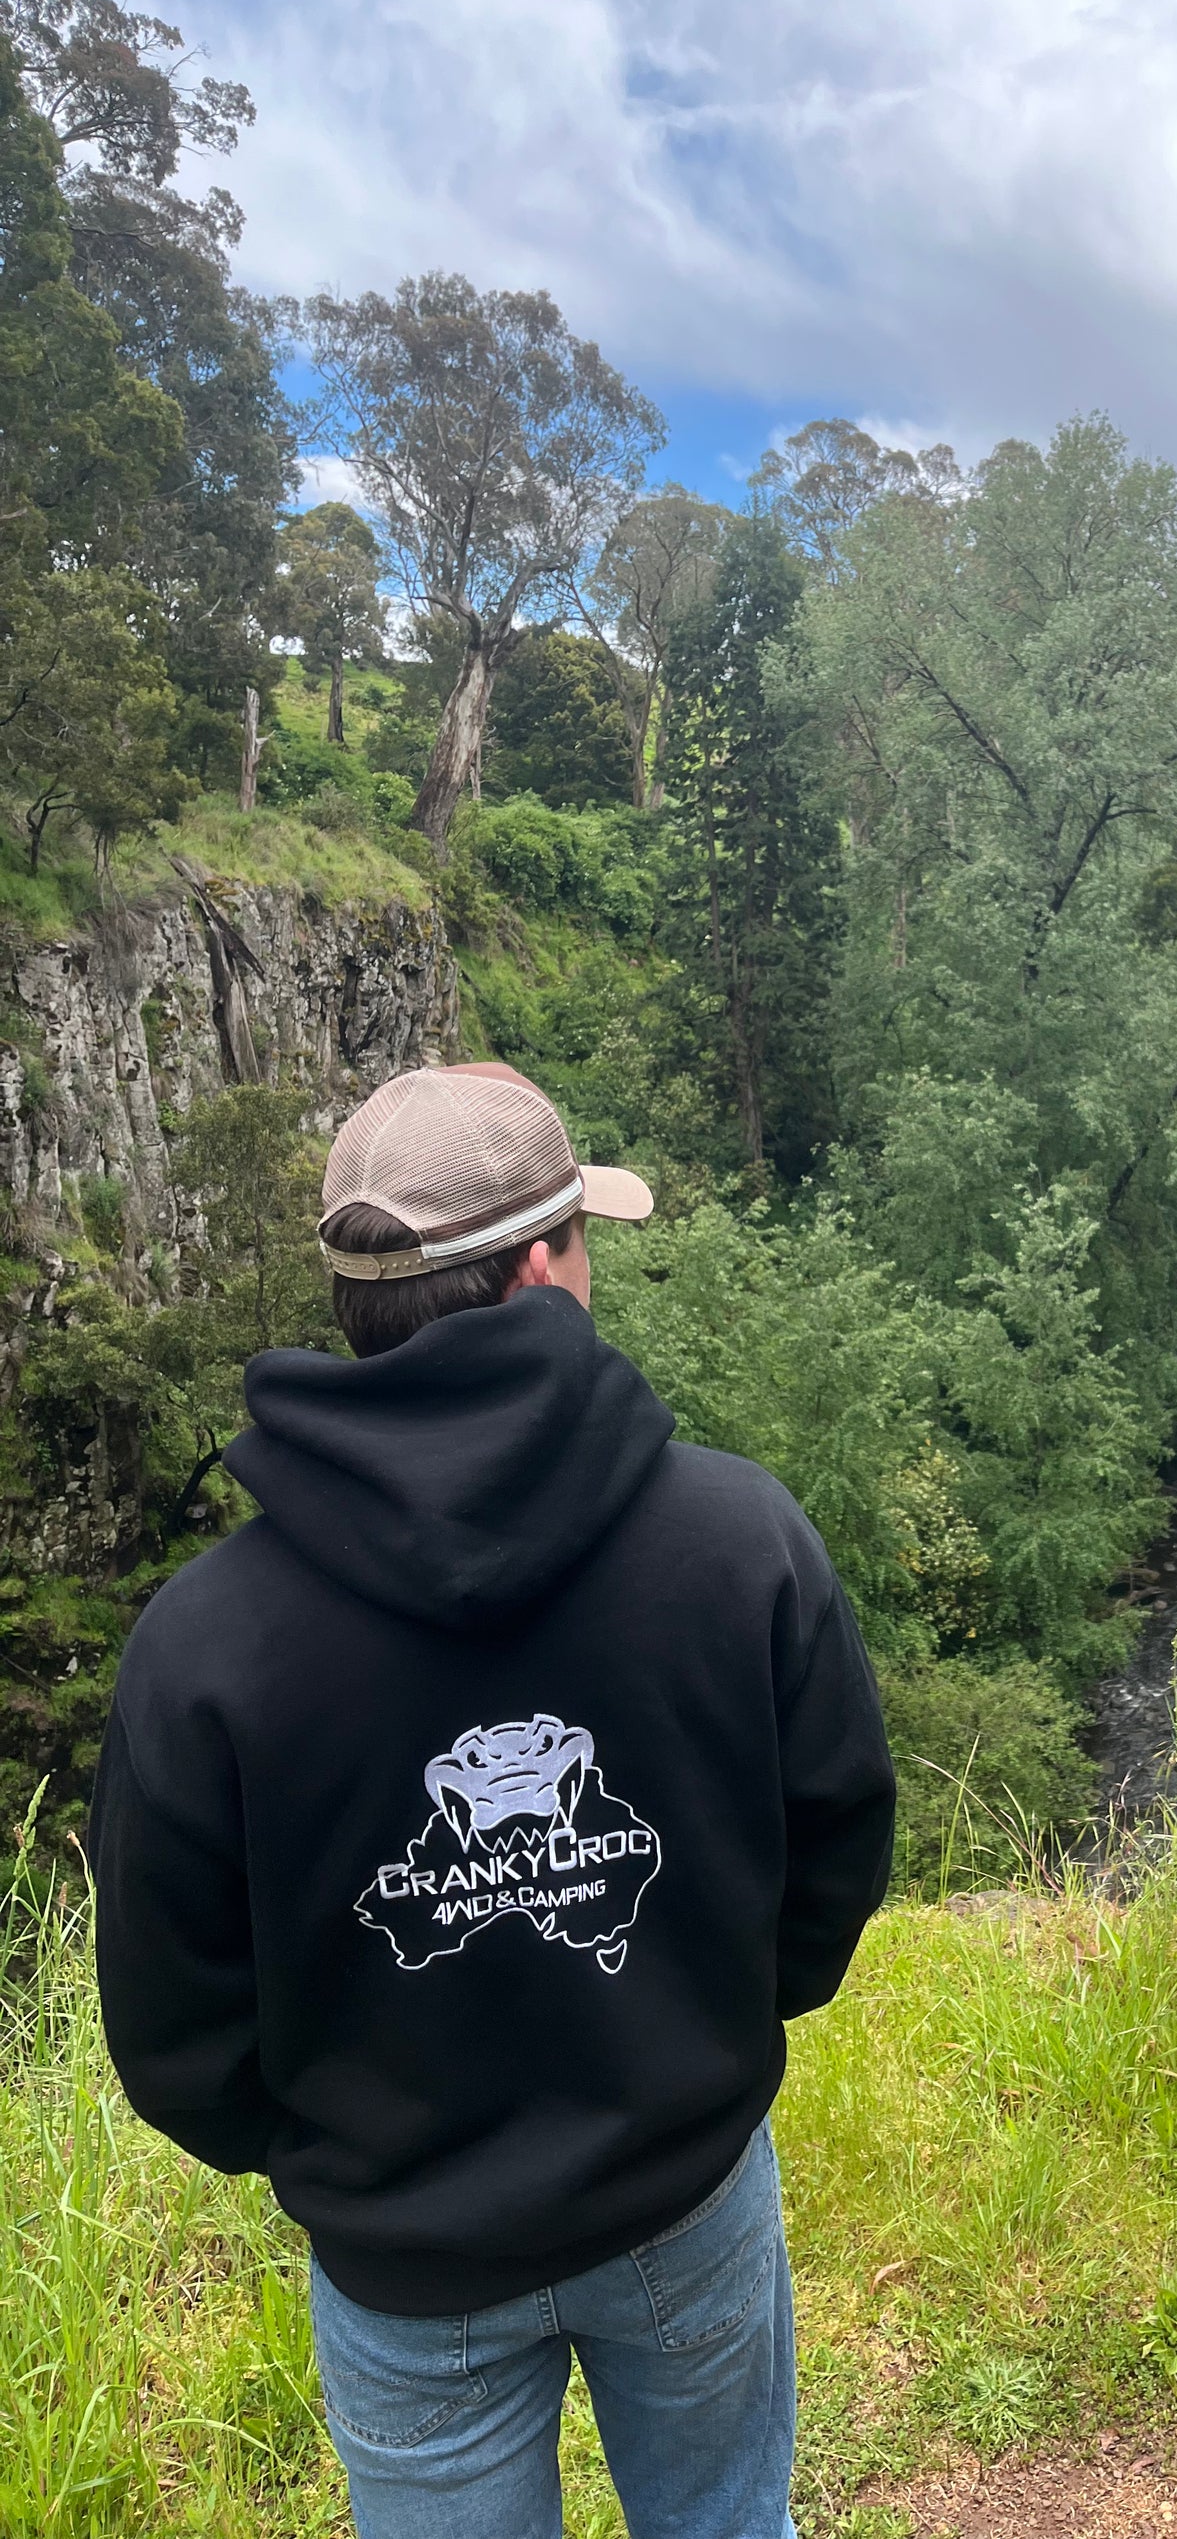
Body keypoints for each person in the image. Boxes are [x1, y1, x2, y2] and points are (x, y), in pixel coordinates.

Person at [90, 1062, 897, 2539]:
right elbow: (835, 1839)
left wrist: (341, 2153)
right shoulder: (737, 1538)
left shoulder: (205, 1644)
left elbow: (167, 2017)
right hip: (684, 2188)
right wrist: (705, 2030)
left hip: (405, 2256)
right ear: (540, 1267)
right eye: (588, 1239)